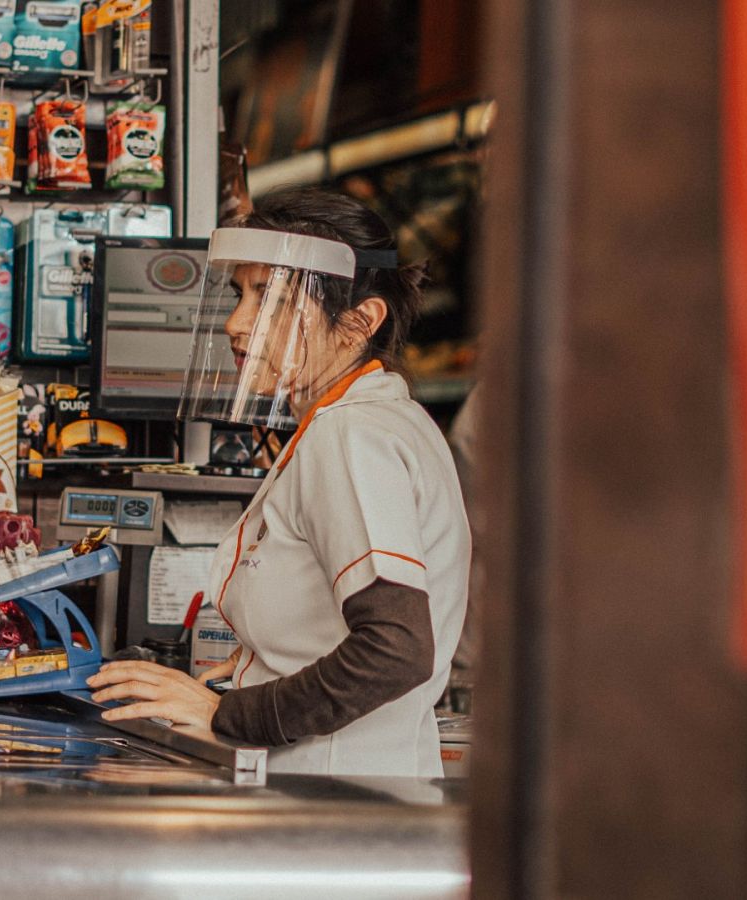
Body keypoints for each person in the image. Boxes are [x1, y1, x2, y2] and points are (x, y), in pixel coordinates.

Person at [86, 188, 471, 777]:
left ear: (359, 322)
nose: (237, 323)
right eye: (241, 294)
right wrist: (264, 665)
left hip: (329, 798)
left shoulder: (352, 435)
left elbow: (396, 650)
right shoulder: (379, 420)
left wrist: (231, 712)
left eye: (269, 298)